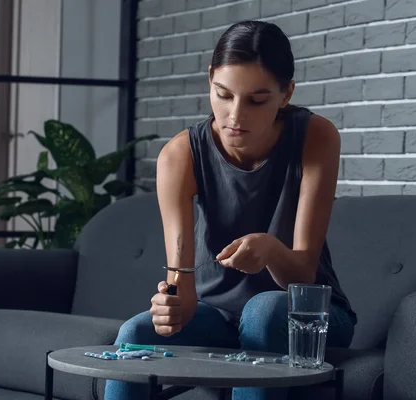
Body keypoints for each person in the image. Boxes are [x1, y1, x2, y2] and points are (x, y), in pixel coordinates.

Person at [104, 20, 357, 400]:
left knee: (263, 311)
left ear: (285, 93)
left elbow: (303, 273)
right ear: (210, 80)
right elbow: (183, 284)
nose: (235, 116)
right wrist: (171, 305)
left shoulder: (315, 137)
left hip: (306, 316)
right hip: (218, 316)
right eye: (223, 94)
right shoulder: (181, 155)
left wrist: (271, 248)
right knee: (135, 334)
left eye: (256, 100)